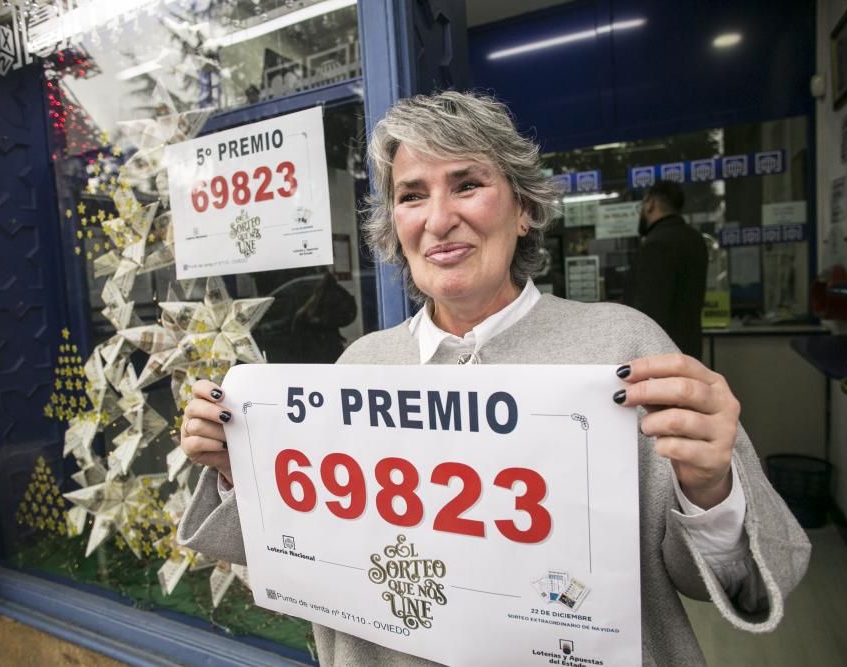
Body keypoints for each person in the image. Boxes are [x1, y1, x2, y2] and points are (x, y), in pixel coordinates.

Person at [177, 91, 810, 666]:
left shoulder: (622, 349)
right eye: (412, 194)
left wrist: (709, 489)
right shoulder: (361, 367)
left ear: (525, 208)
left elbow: (726, 581)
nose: (439, 217)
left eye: (468, 183)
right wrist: (241, 469)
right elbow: (310, 549)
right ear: (394, 224)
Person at [624, 180, 709, 359]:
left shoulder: (656, 244)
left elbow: (649, 308)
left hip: (661, 354)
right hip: (690, 347)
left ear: (650, 204)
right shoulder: (696, 239)